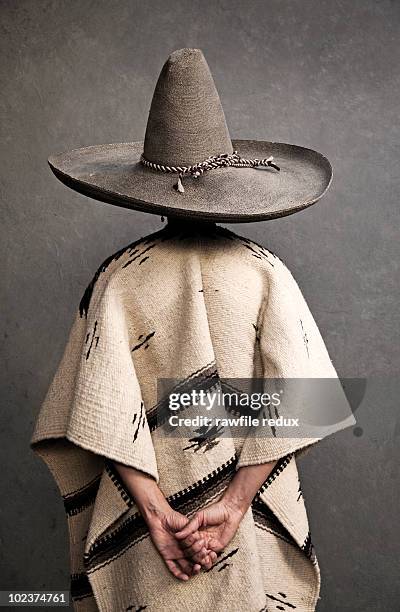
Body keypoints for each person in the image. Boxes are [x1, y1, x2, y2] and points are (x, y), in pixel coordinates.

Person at [31, 49, 354, 611]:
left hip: (145, 532)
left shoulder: (117, 281)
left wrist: (157, 514)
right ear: (229, 180)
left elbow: (99, 413)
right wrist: (230, 507)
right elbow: (301, 402)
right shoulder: (266, 273)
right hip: (246, 527)